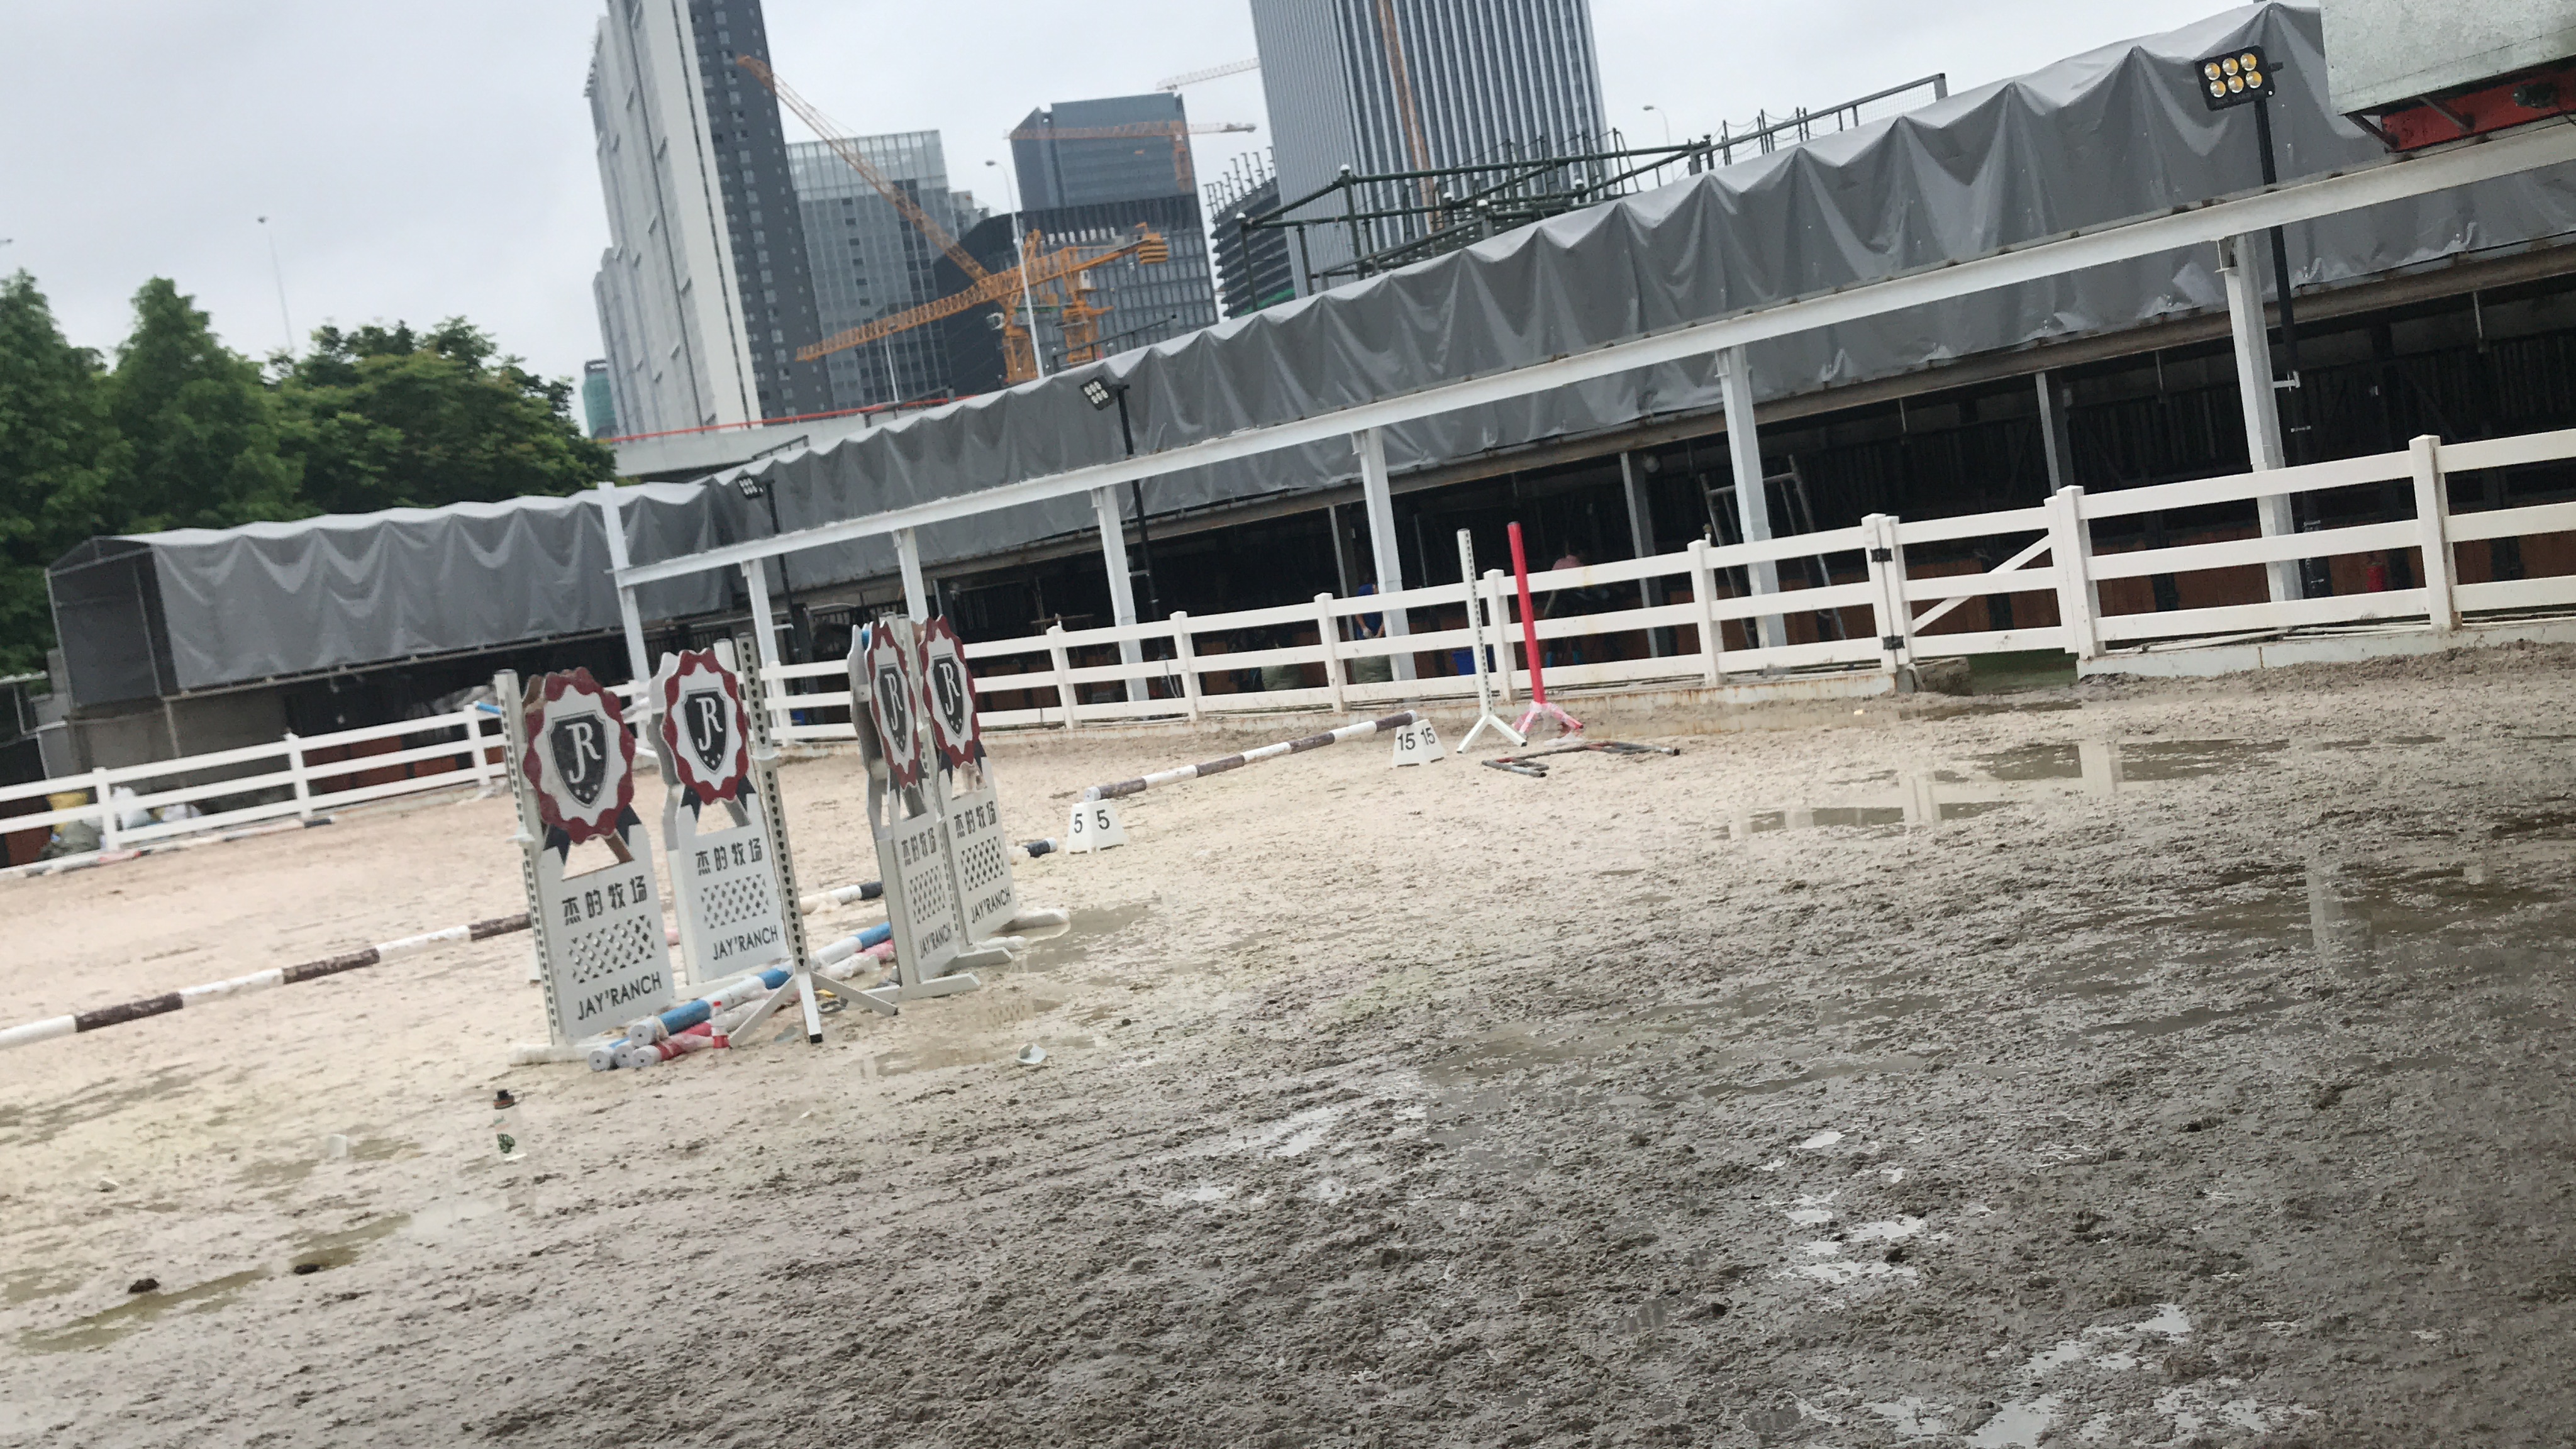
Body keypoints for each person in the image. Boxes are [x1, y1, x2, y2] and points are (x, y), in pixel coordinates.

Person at [1347, 582, 1394, 686]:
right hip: (1365, 631)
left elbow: (1386, 617)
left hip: (1379, 629)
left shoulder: (1384, 595)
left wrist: (1379, 634)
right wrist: (1364, 628)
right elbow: (1358, 614)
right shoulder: (1364, 591)